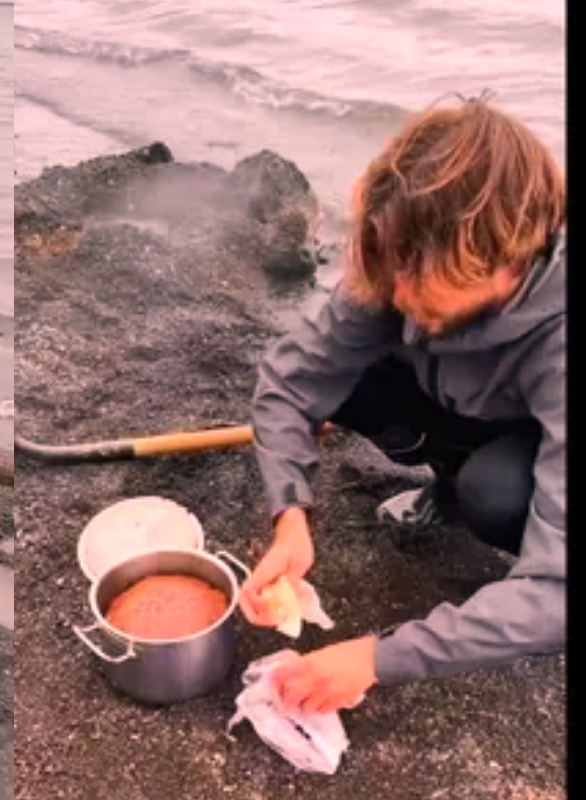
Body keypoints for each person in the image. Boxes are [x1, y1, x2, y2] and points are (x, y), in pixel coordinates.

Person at [238, 96, 565, 713]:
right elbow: (288, 381)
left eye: (431, 273)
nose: (404, 293)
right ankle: (444, 487)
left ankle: (503, 563)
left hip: (534, 447)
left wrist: (376, 658)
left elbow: (560, 591)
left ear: (511, 256)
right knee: (352, 375)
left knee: (496, 495)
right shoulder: (400, 266)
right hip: (460, 405)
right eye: (398, 269)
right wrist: (289, 514)